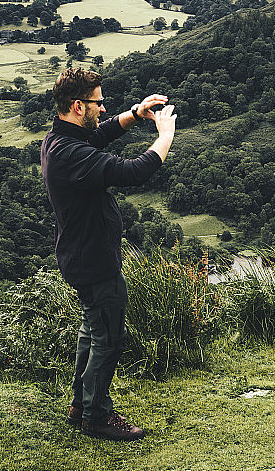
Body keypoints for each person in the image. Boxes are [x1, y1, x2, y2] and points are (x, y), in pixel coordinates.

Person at [40, 67, 176, 441]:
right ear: (78, 105)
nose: (102, 109)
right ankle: (98, 416)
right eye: (98, 103)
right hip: (94, 260)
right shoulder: (70, 153)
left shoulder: (60, 139)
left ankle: (81, 406)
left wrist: (136, 113)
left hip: (82, 255)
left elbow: (99, 135)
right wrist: (165, 136)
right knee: (109, 338)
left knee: (93, 331)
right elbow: (133, 172)